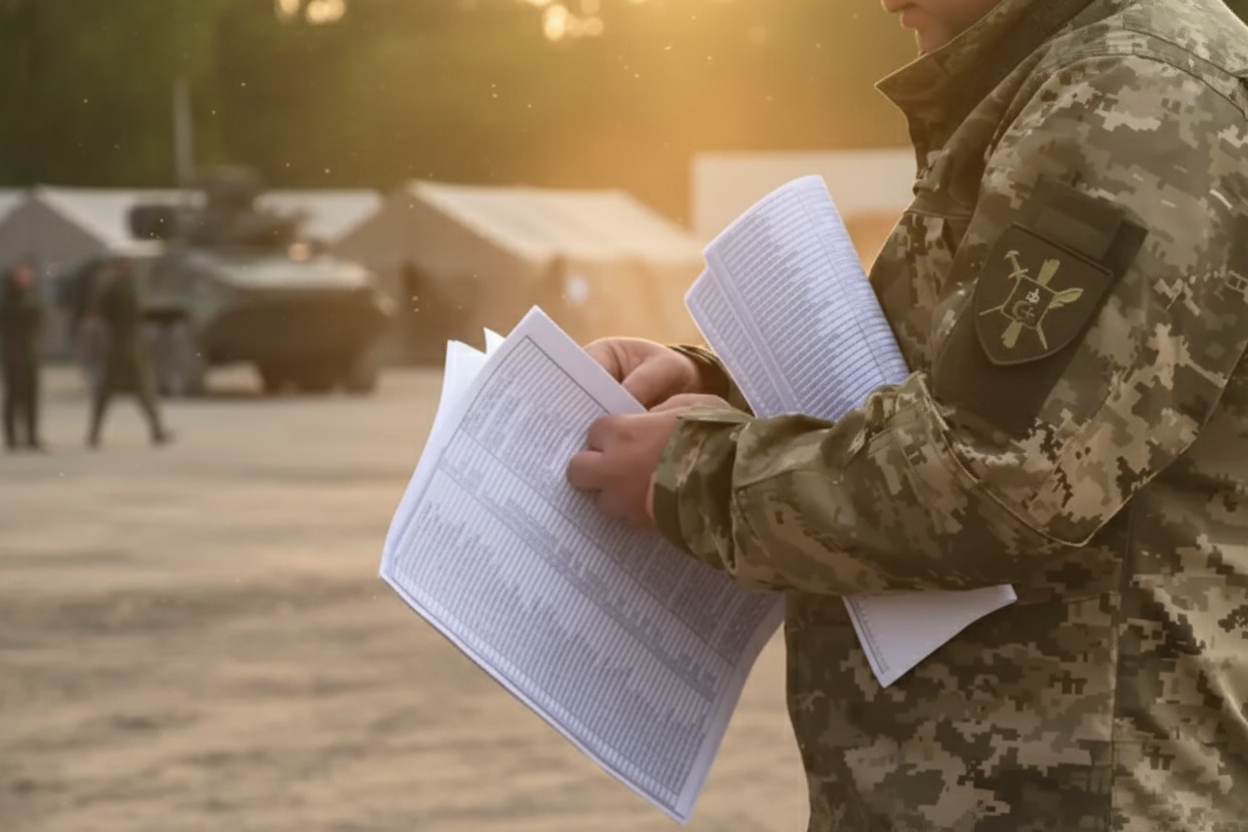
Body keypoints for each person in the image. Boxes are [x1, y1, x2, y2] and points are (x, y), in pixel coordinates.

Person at [566, 0, 1248, 829]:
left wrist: (696, 473)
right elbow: (967, 388)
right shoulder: (1067, 72)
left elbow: (1000, 474)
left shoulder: (1134, 90)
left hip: (1068, 790)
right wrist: (715, 387)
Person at [84, 258, 172, 448]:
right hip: (130, 346)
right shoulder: (129, 288)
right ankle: (157, 431)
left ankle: (94, 434)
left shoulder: (110, 289)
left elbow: (98, 312)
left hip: (116, 346)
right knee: (144, 391)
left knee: (105, 392)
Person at [0, 263, 45, 452]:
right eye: (22, 276)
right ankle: (11, 438)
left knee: (32, 396)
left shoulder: (30, 297)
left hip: (30, 351)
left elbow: (38, 319)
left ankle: (32, 436)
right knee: (13, 396)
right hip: (13, 352)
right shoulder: (6, 301)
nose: (26, 279)